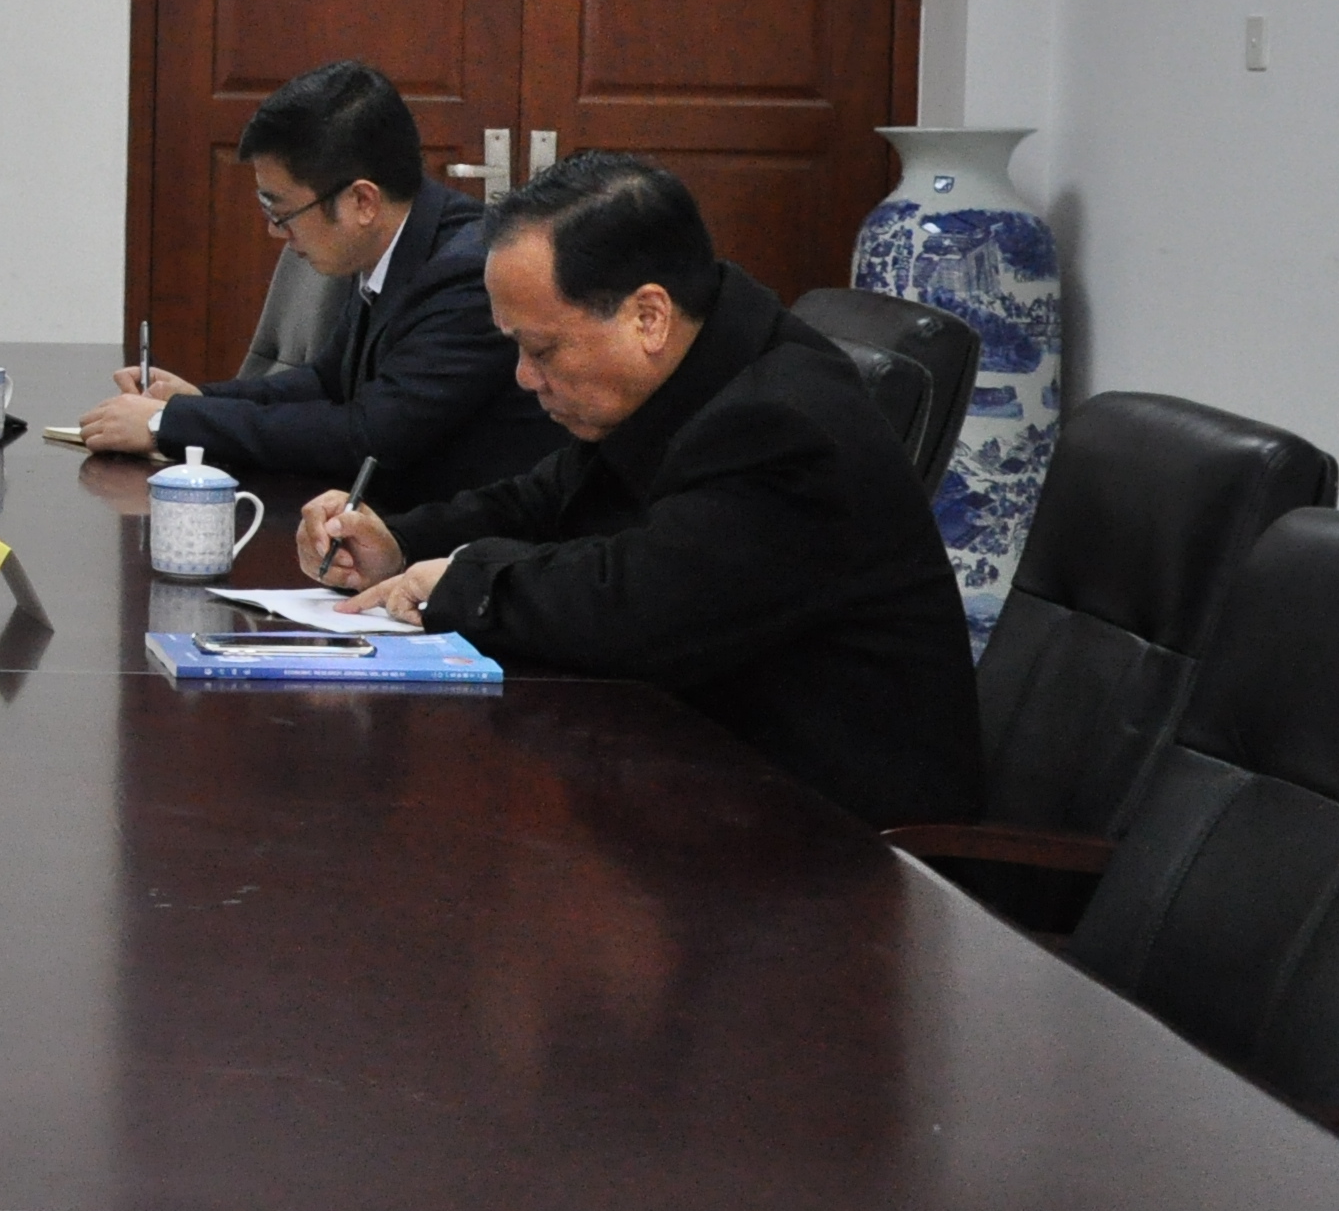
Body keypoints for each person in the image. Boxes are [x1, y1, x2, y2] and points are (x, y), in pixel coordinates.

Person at [305, 153, 980, 828]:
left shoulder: (782, 425)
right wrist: (400, 543)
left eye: (542, 350)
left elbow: (637, 607)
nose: (523, 377)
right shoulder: (693, 368)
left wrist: (463, 582)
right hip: (712, 782)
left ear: (648, 316)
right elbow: (545, 501)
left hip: (836, 839)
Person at [69, 61, 560, 503]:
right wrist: (197, 400)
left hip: (463, 540)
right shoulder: (395, 244)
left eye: (282, 211)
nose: (274, 232)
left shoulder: (468, 274)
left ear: (362, 202)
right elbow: (329, 381)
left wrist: (167, 423)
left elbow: (369, 436)